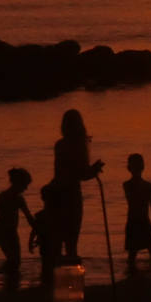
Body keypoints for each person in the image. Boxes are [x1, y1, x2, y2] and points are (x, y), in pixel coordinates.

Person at [50, 108, 101, 263]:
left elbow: (62, 171)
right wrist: (94, 170)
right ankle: (71, 270)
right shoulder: (78, 146)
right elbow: (81, 174)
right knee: (71, 240)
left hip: (56, 193)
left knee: (57, 236)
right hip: (71, 194)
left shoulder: (60, 145)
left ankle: (54, 271)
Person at [121, 152, 151, 272]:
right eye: (135, 166)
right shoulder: (127, 185)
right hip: (134, 222)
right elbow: (134, 199)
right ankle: (131, 274)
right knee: (132, 254)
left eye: (138, 166)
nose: (136, 169)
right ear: (130, 168)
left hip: (144, 221)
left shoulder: (147, 186)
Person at [0, 167, 31, 288]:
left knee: (13, 260)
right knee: (14, 261)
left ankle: (8, 279)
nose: (26, 188)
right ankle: (9, 282)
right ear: (18, 183)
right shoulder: (17, 198)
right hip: (7, 233)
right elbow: (29, 217)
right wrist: (37, 228)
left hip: (3, 231)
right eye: (25, 185)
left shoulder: (4, 196)